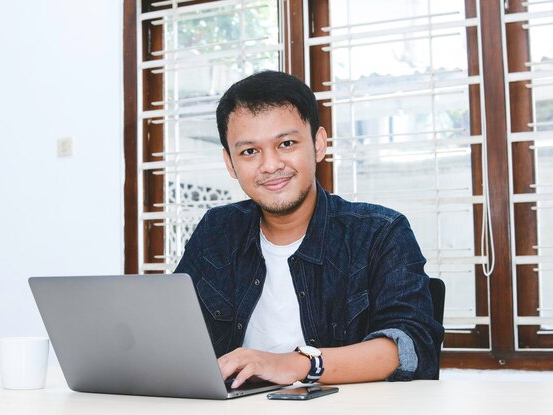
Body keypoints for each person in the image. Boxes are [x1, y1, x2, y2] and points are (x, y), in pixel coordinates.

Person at [175, 70, 444, 388]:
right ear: (230, 163)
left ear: (318, 144)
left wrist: (296, 364)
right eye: (250, 151)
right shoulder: (216, 231)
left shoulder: (380, 233)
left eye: (286, 143)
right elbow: (172, 332)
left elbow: (409, 347)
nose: (271, 165)